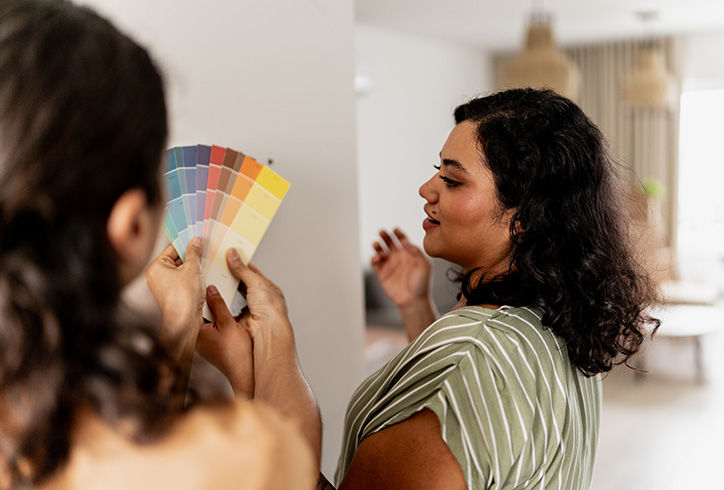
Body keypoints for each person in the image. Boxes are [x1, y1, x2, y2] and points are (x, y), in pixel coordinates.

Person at [213, 87, 659, 490]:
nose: (427, 189)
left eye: (452, 179)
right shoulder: (555, 323)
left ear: (524, 218)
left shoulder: (466, 364)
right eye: (436, 172)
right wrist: (415, 307)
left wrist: (270, 355)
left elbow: (458, 380)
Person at [0, 1, 320, 488]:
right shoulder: (238, 458)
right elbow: (291, 461)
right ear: (130, 225)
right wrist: (277, 346)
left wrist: (179, 328)